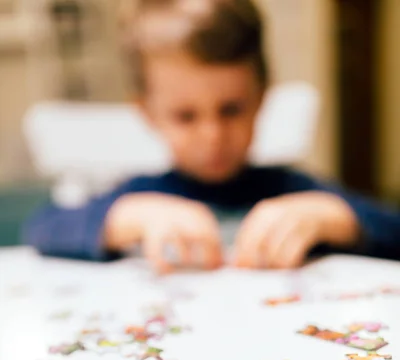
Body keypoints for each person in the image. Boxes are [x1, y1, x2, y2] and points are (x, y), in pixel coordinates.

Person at [23, 0, 400, 272]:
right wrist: (124, 217)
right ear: (148, 114)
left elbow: (391, 228)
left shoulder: (291, 189)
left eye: (231, 109)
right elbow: (42, 228)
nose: (213, 135)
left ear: (261, 98)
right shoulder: (141, 194)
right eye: (186, 116)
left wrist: (334, 215)